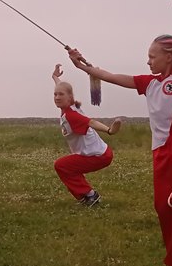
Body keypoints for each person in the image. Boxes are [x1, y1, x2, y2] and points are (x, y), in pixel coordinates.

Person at [69, 0, 172, 266]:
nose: (148, 61)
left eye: (152, 56)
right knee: (164, 208)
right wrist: (83, 66)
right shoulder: (148, 83)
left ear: (170, 57)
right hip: (162, 152)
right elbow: (110, 76)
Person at [51, 64, 123, 206]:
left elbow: (91, 122)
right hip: (99, 152)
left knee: (62, 165)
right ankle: (87, 195)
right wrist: (55, 77)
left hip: (98, 155)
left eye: (61, 95)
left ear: (70, 97)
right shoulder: (69, 108)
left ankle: (90, 195)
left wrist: (109, 130)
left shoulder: (72, 115)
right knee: (68, 167)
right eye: (55, 94)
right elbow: (62, 87)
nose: (57, 97)